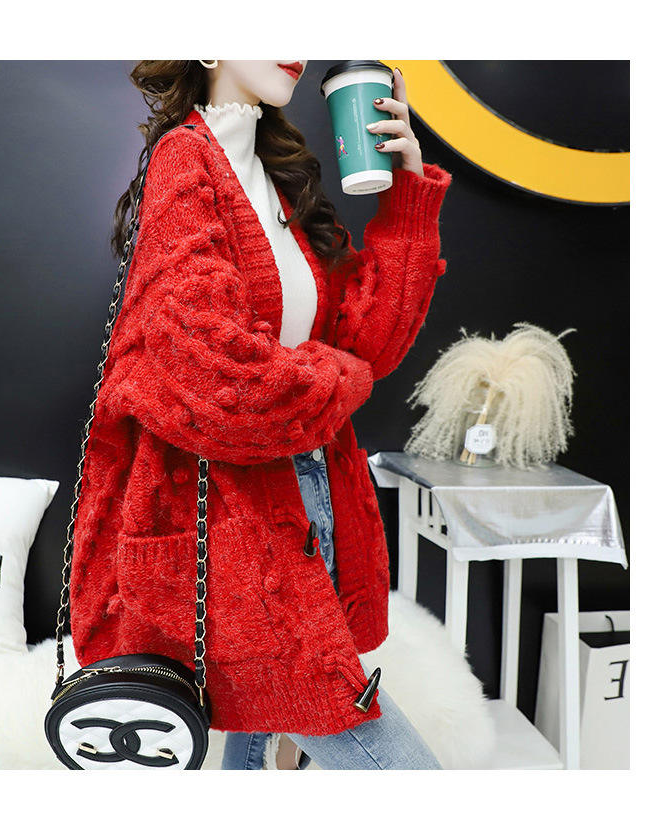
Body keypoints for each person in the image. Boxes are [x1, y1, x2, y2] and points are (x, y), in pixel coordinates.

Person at [69, 60, 452, 770]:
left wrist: (406, 197)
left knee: (264, 735)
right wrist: (342, 378)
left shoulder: (275, 176)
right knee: (353, 731)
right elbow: (221, 381)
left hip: (313, 489)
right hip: (229, 508)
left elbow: (370, 342)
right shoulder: (185, 160)